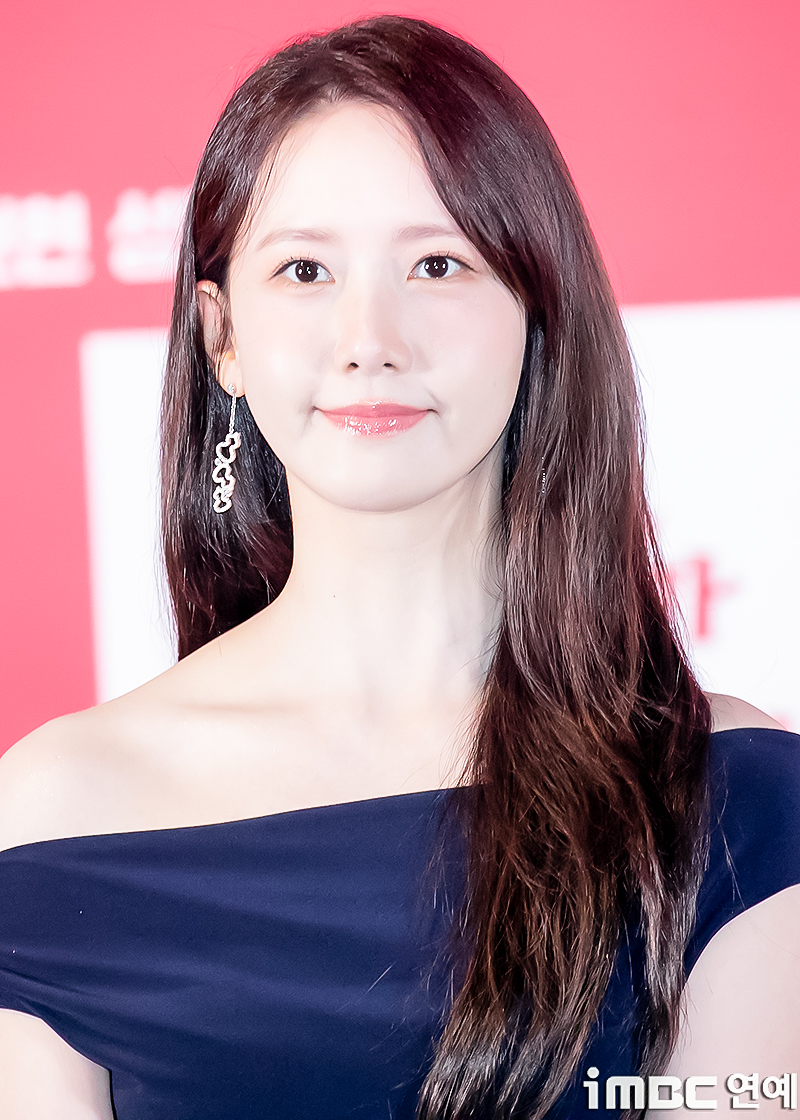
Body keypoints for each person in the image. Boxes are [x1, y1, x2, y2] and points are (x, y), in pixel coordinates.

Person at [0, 15, 798, 1120]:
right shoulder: (59, 813)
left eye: (437, 264)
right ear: (222, 336)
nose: (369, 337)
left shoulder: (728, 796)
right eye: (304, 271)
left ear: (536, 308)